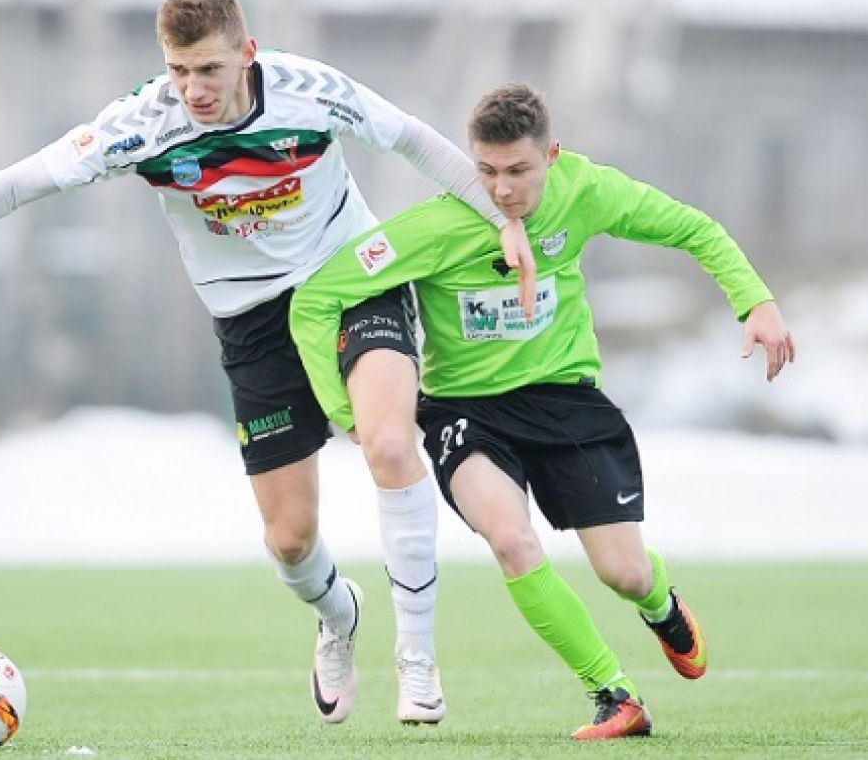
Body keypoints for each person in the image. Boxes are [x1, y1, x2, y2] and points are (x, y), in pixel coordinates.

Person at [0, 0, 539, 726]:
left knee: (385, 441)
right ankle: (340, 615)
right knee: (289, 540)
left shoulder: (310, 92)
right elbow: (19, 184)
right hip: (251, 323)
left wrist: (500, 222)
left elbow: (410, 137)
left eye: (209, 71)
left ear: (246, 54)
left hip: (350, 281)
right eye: (180, 72)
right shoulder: (143, 125)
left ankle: (417, 661)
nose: (194, 90)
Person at [289, 82, 795, 739]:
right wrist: (343, 411)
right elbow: (315, 299)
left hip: (565, 400)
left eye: (519, 171)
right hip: (466, 414)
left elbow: (691, 228)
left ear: (551, 156)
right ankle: (614, 695)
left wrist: (755, 301)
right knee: (509, 538)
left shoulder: (584, 191)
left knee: (624, 571)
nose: (501, 189)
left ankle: (659, 601)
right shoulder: (435, 226)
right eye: (487, 170)